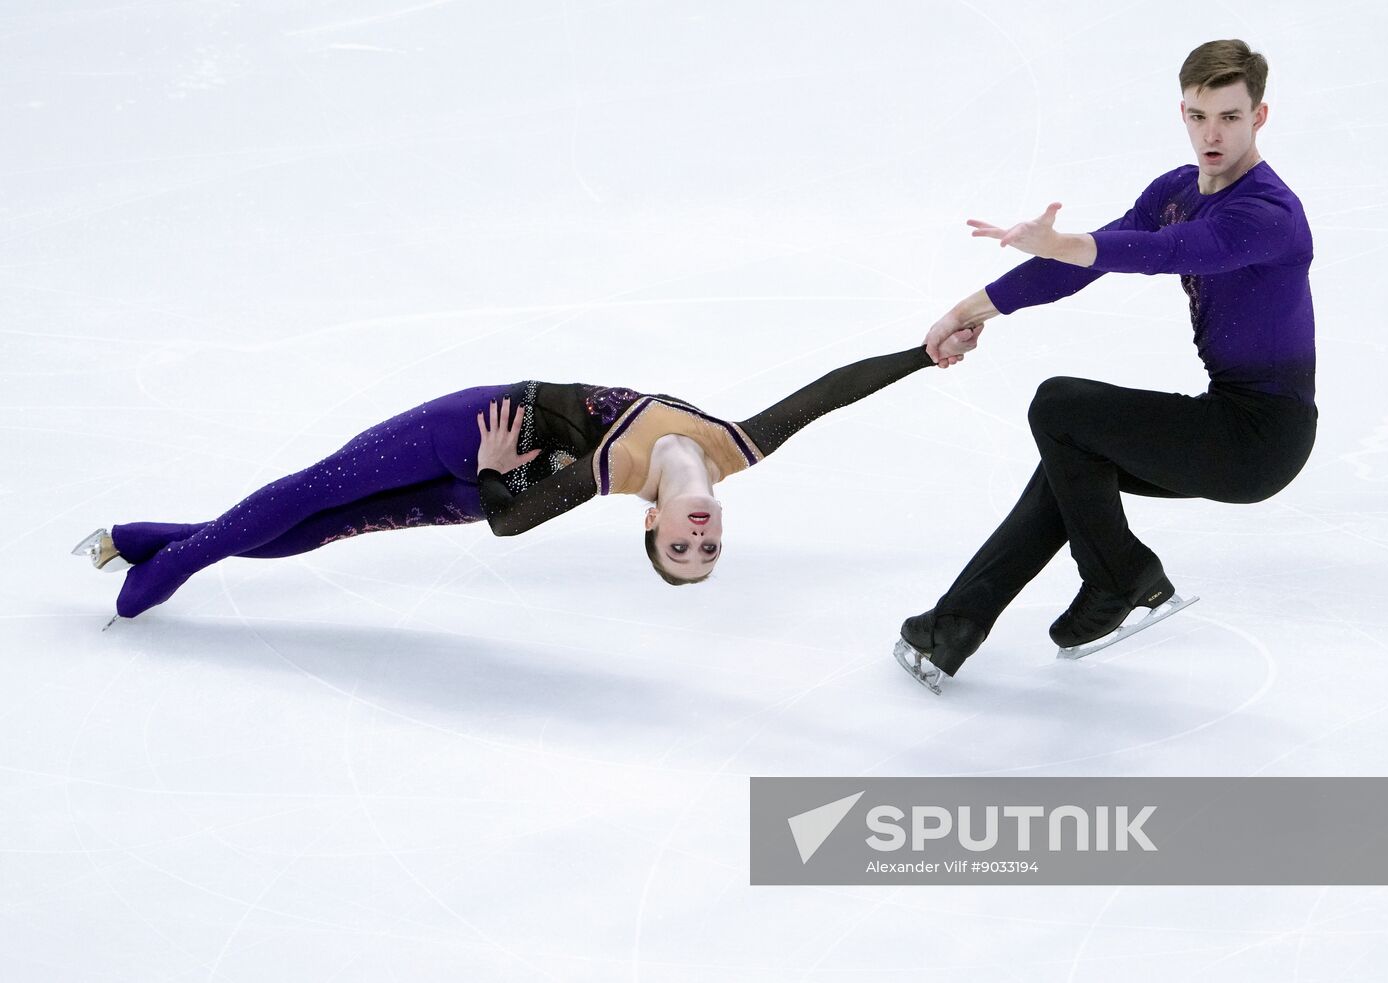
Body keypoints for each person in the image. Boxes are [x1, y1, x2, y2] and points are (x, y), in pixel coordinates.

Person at [896, 39, 1317, 693]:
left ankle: (1121, 575)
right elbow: (1081, 267)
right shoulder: (1177, 189)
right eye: (1199, 115)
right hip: (1230, 413)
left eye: (1230, 117)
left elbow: (1161, 251)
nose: (1212, 133)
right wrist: (967, 310)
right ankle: (953, 628)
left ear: (1259, 117)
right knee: (1071, 460)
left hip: (1262, 438)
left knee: (1060, 406)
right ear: (1182, 110)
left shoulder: (1267, 214)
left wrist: (1063, 241)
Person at [76, 339, 975, 619]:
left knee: (322, 522)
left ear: (653, 528)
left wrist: (503, 470)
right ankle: (167, 553)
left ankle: (161, 544)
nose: (697, 534)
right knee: (315, 490)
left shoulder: (611, 472)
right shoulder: (738, 446)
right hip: (463, 426)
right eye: (709, 546)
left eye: (681, 549)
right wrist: (922, 354)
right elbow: (827, 395)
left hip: (478, 463)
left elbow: (509, 524)